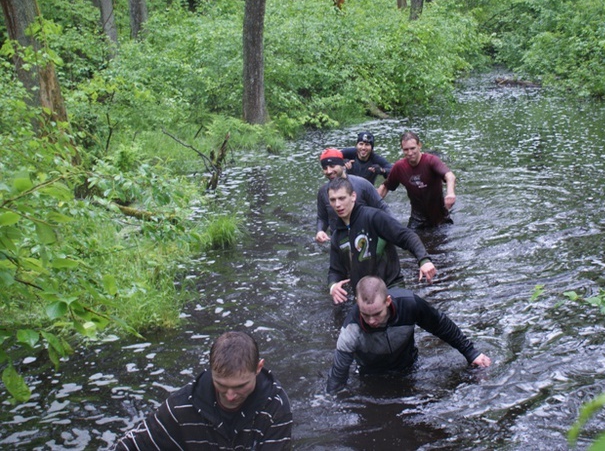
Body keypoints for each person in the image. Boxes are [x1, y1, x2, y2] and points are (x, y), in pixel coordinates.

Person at [116, 331, 293, 450]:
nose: (230, 396)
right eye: (222, 385)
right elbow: (128, 447)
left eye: (240, 386)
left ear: (258, 368)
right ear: (210, 370)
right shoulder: (181, 407)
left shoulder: (275, 408)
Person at [326, 276, 492, 393]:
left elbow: (441, 325)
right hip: (372, 377)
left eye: (377, 313)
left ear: (388, 301)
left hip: (410, 366)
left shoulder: (409, 304)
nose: (371, 321)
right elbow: (338, 376)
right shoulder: (351, 330)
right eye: (365, 314)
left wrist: (471, 353)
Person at [327, 176, 436, 304]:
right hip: (363, 296)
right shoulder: (337, 235)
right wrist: (333, 286)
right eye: (333, 200)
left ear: (353, 196)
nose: (337, 204)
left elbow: (406, 236)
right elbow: (335, 270)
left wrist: (423, 260)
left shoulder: (374, 217)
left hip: (391, 287)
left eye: (342, 198)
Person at [378, 131, 457, 229]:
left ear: (419, 146)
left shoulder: (431, 161)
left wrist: (450, 193)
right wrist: (372, 205)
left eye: (412, 148)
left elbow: (450, 176)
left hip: (440, 219)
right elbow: (385, 186)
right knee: (408, 242)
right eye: (406, 150)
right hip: (417, 219)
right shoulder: (399, 167)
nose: (410, 153)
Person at [316, 148, 392, 243]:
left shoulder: (362, 184)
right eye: (325, 168)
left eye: (332, 166)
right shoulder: (323, 191)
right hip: (339, 241)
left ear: (342, 165)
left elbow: (382, 207)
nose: (328, 171)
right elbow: (322, 217)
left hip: (366, 238)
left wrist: (392, 230)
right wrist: (320, 231)